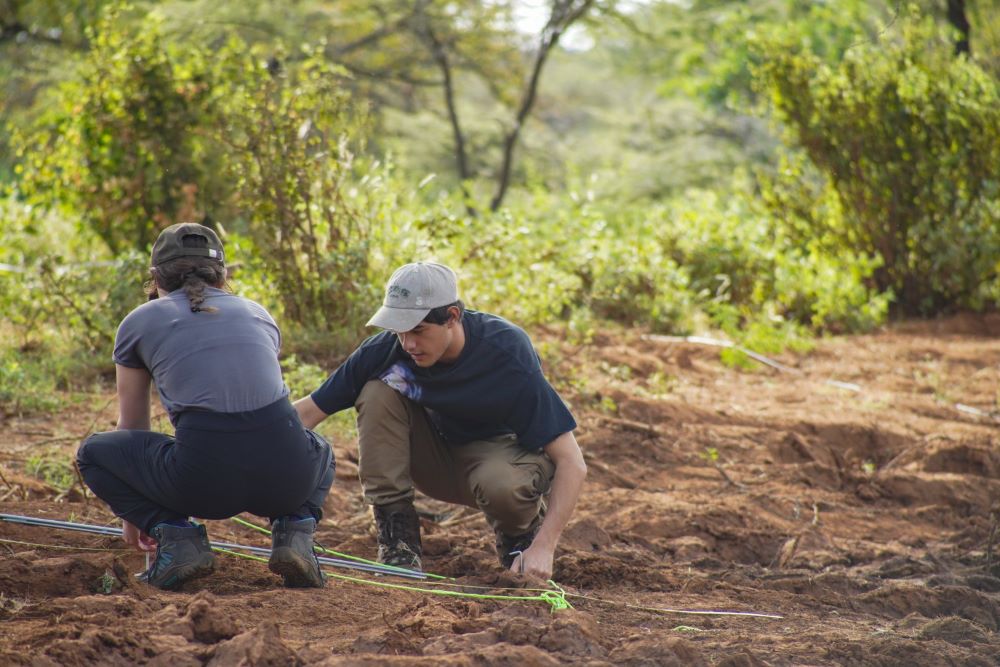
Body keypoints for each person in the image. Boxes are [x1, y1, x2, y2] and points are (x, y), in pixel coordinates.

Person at [77, 223, 334, 591]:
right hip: (288, 481)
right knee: (320, 447)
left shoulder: (139, 322)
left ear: (154, 277)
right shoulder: (259, 314)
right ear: (224, 275)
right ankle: (295, 535)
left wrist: (138, 516)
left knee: (93, 453)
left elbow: (133, 424)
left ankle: (178, 539)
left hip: (203, 486)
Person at [294, 262, 586, 579]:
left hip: (499, 464)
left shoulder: (506, 352)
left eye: (418, 330)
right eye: (399, 330)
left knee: (502, 485)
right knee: (376, 391)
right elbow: (308, 412)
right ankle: (398, 545)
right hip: (436, 461)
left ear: (452, 318)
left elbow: (572, 462)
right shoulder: (388, 350)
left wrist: (545, 545)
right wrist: (246, 431)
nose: (408, 344)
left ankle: (519, 540)